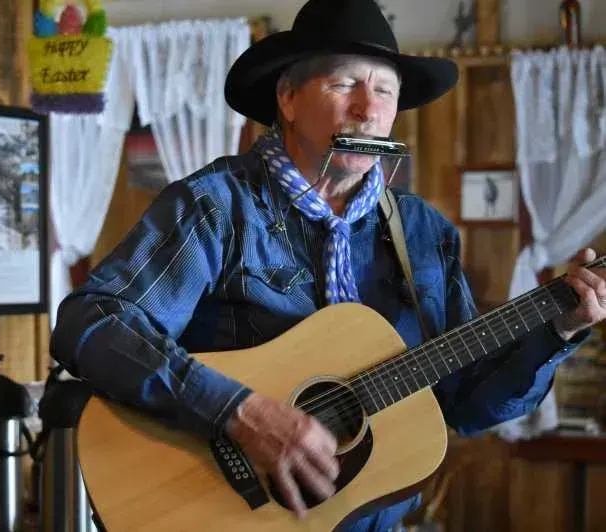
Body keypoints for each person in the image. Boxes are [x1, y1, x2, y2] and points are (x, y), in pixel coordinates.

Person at [50, 0, 606, 529]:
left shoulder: (422, 234)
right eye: (344, 84)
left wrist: (557, 328)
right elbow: (90, 322)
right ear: (288, 99)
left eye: (385, 90)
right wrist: (236, 412)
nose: (369, 109)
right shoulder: (217, 206)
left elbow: (462, 405)